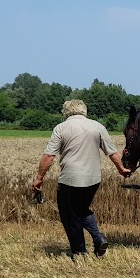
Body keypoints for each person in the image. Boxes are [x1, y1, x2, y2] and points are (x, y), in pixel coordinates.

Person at [32, 100, 131, 258]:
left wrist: (39, 178)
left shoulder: (61, 128)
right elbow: (111, 152)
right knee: (81, 209)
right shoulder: (98, 126)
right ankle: (98, 238)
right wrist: (121, 169)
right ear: (84, 111)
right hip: (93, 178)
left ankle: (80, 252)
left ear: (66, 112)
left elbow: (49, 156)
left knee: (69, 215)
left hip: (70, 178)